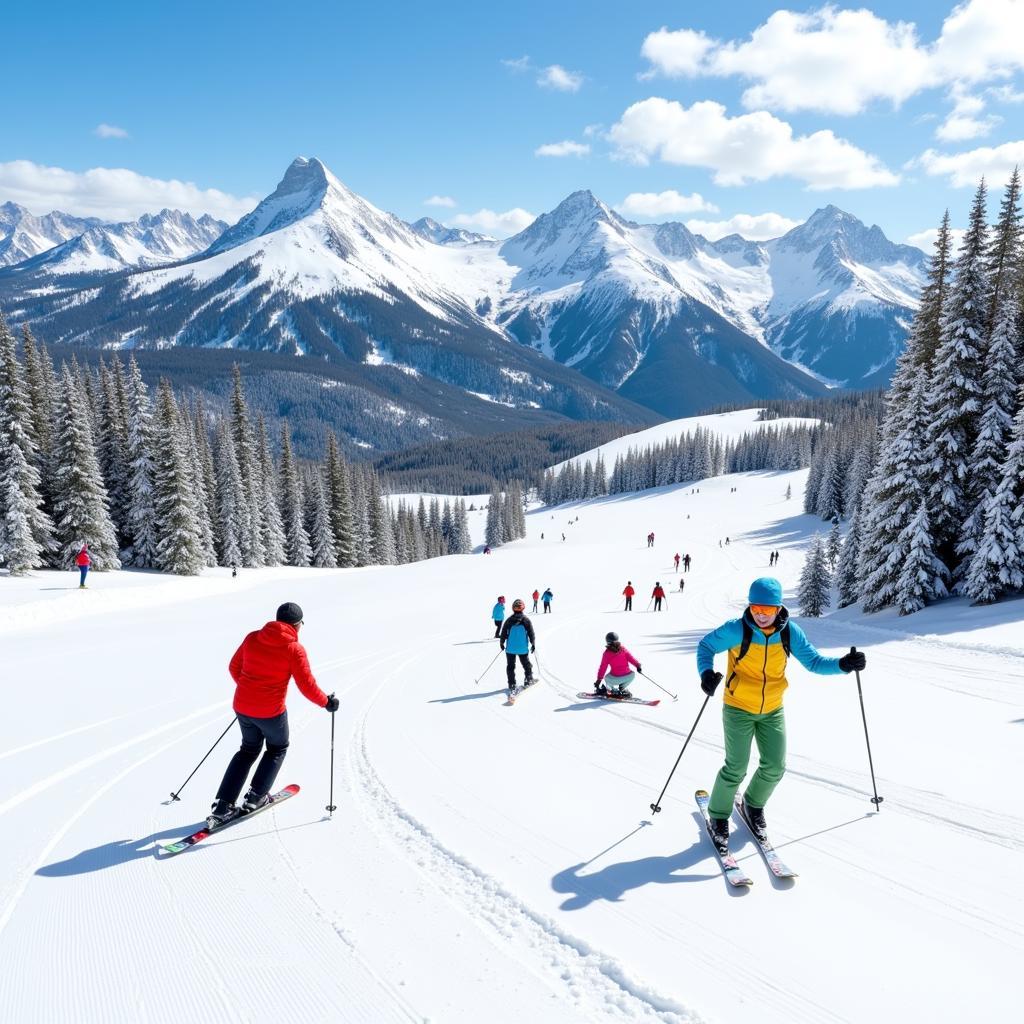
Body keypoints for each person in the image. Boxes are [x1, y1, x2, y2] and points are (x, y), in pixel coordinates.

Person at [696, 577, 867, 853]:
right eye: (755, 608)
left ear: (778, 608)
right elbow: (705, 647)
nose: (761, 614)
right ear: (749, 607)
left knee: (775, 766)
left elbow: (813, 662)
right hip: (738, 707)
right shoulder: (736, 630)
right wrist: (705, 673)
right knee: (736, 767)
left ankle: (752, 804)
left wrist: (843, 665)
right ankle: (718, 815)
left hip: (772, 709)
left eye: (767, 609)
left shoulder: (789, 633)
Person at [208, 602, 337, 827]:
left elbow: (234, 667)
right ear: (297, 625)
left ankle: (223, 805)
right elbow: (306, 686)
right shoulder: (294, 649)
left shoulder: (252, 637)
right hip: (270, 712)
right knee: (277, 748)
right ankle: (256, 797)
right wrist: (326, 702)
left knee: (247, 750)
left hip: (242, 706)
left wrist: (250, 689)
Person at [500, 598, 535, 694]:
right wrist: (533, 643)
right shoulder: (526, 620)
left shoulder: (509, 620)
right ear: (523, 608)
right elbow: (531, 633)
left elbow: (503, 632)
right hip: (522, 648)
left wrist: (502, 643)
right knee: (526, 665)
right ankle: (529, 679)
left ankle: (511, 684)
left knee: (510, 666)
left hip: (510, 649)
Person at [594, 632, 641, 698]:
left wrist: (599, 680)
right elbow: (631, 658)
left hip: (615, 679)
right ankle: (622, 689)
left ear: (607, 641)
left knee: (606, 677)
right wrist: (638, 666)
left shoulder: (606, 654)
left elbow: (603, 667)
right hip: (628, 677)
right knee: (633, 674)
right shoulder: (623, 649)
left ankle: (610, 690)